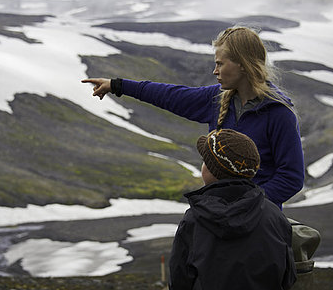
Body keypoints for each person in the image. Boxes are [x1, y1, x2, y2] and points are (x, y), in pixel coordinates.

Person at [82, 26, 304, 208]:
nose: (215, 71)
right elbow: (170, 96)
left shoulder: (279, 113)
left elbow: (291, 177)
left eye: (220, 64)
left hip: (258, 223)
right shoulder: (217, 98)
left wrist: (248, 205)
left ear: (242, 65)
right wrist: (117, 85)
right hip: (218, 214)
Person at [153, 129, 296, 290]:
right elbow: (288, 278)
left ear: (211, 170)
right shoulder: (274, 214)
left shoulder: (194, 219)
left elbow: (179, 288)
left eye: (205, 161)